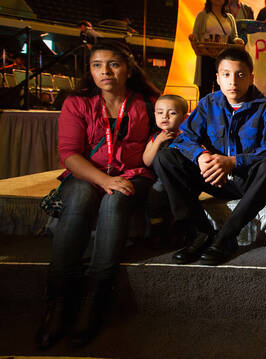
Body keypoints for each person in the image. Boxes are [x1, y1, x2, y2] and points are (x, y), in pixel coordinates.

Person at [36, 41, 160, 349]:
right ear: (90, 70)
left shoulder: (147, 102)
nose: (105, 71)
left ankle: (95, 299)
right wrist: (104, 179)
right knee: (78, 199)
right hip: (87, 173)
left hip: (133, 175)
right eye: (96, 65)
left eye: (113, 64)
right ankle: (58, 302)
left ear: (128, 69)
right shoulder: (77, 103)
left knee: (116, 200)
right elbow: (69, 155)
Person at [153, 47, 266, 266]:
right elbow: (185, 137)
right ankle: (200, 233)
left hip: (247, 181)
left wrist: (234, 161)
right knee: (166, 157)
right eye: (226, 74)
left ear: (251, 78)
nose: (233, 81)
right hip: (213, 177)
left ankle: (226, 236)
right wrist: (200, 156)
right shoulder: (208, 104)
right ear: (217, 78)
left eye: (240, 74)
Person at [142, 94, 190, 248]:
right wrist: (158, 143)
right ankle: (157, 230)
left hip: (182, 180)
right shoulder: (155, 137)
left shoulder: (187, 137)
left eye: (172, 113)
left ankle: (180, 231)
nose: (165, 116)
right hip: (159, 181)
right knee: (154, 199)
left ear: (184, 117)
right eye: (160, 112)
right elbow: (147, 161)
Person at [190, 0, 239, 99]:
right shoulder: (202, 15)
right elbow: (195, 34)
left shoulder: (229, 17)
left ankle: (220, 114)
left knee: (222, 88)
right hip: (206, 55)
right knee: (205, 88)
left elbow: (234, 37)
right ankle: (204, 114)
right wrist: (192, 38)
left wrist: (238, 41)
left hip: (223, 57)